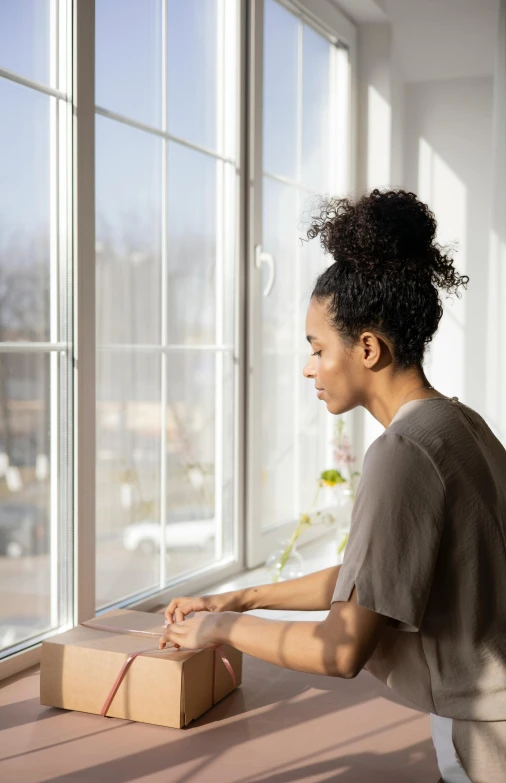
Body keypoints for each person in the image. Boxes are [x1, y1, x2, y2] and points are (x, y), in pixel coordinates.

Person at [159, 189, 506, 783]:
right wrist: (238, 599)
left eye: (317, 349)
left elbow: (342, 649)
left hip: (489, 736)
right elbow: (370, 581)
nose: (308, 367)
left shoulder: (399, 453)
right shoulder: (459, 423)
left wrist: (219, 630)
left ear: (367, 348)